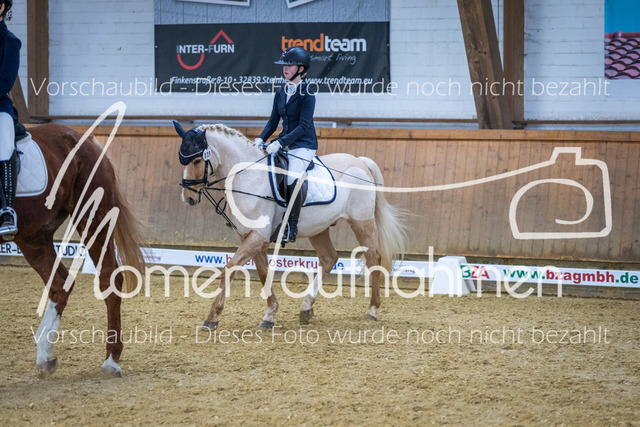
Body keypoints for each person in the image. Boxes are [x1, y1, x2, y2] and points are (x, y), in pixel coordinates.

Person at [255, 46, 317, 243]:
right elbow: (273, 121)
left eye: (289, 65)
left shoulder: (308, 94)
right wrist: (261, 139)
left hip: (304, 145)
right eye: (284, 65)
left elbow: (304, 126)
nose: (285, 68)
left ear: (301, 69)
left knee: (292, 177)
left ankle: (292, 226)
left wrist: (280, 142)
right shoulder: (281, 92)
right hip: (284, 142)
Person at [0, 0, 19, 237]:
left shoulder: (10, 42)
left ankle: (6, 211)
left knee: (4, 146)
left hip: (0, 108)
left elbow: (5, 81)